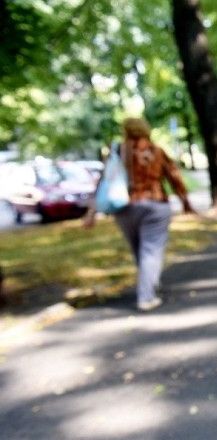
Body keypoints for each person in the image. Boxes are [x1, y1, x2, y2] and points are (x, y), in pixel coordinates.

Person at [85, 117, 195, 311]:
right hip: (155, 204)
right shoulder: (156, 151)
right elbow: (174, 176)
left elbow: (103, 182)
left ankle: (149, 283)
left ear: (125, 130)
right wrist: (185, 201)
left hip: (125, 207)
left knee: (140, 251)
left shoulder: (117, 151)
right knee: (151, 251)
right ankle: (146, 296)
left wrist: (91, 212)